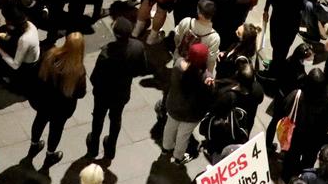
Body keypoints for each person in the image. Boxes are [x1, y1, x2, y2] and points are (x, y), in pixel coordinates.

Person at [87, 15, 149, 161]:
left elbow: (94, 78)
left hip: (103, 94)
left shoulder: (106, 53)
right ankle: (110, 149)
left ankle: (94, 145)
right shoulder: (137, 47)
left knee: (98, 117)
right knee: (116, 119)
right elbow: (142, 70)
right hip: (121, 93)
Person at [30, 32, 88, 165]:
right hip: (62, 108)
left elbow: (40, 75)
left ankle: (34, 144)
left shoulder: (50, 55)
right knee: (56, 129)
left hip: (44, 101)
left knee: (39, 120)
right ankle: (50, 154)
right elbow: (81, 94)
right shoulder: (78, 70)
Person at [163, 42, 214, 164]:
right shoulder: (206, 78)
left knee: (170, 127)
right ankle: (178, 157)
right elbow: (208, 96)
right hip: (192, 113)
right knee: (183, 135)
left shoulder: (178, 64)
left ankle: (166, 147)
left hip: (174, 106)